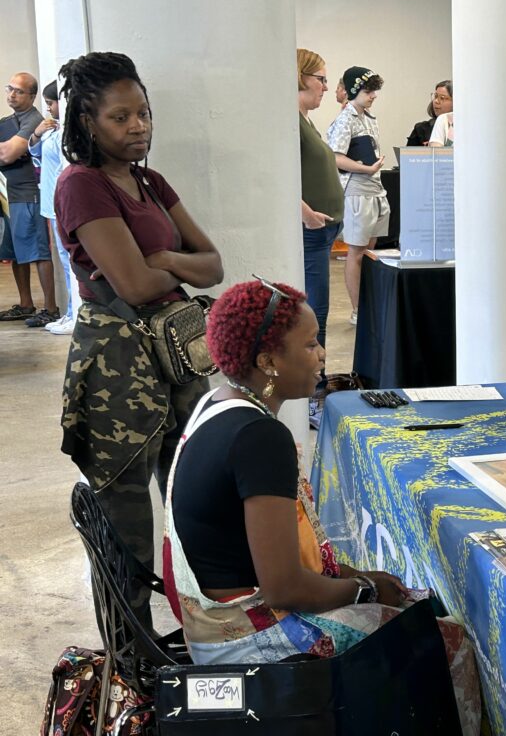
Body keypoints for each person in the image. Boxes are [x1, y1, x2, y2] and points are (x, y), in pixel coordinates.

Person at [164, 279, 480, 734]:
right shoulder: (260, 439)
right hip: (246, 644)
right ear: (267, 360)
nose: (322, 355)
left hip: (209, 624)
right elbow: (284, 589)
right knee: (448, 639)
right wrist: (365, 591)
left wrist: (359, 577)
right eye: (310, 344)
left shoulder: (216, 401)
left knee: (410, 603)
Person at [54, 51, 223, 625]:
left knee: (196, 502)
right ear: (86, 121)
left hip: (179, 357)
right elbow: (130, 281)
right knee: (128, 532)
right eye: (120, 118)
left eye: (143, 114)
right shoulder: (82, 185)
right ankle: (131, 671)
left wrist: (167, 259)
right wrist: (176, 268)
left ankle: (209, 641)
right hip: (119, 370)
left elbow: (214, 264)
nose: (138, 127)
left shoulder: (150, 180)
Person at [296, 48, 345, 428]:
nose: (327, 87)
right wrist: (305, 212)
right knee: (317, 313)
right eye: (321, 79)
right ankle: (315, 395)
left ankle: (318, 389)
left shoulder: (305, 120)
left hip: (322, 233)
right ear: (301, 76)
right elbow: (278, 173)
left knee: (320, 311)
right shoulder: (289, 121)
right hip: (311, 233)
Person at [326, 66, 389, 327]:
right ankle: (357, 310)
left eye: (374, 90)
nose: (373, 95)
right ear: (354, 91)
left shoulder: (368, 118)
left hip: (374, 189)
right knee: (356, 252)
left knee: (369, 252)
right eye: (367, 90)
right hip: (357, 191)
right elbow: (336, 157)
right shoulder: (345, 120)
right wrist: (366, 169)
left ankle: (368, 305)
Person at [0, 71, 59, 325]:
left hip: (28, 194)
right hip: (8, 194)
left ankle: (51, 308)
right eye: (9, 88)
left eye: (19, 91)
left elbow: (7, 155)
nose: (12, 94)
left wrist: (10, 148)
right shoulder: (8, 121)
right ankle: (26, 304)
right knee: (14, 252)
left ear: (32, 96)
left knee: (38, 251)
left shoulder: (33, 119)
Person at [28, 80, 79, 334]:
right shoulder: (52, 130)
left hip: (62, 205)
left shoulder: (68, 133)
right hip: (50, 204)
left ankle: (75, 313)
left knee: (70, 260)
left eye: (51, 103)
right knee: (63, 258)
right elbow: (35, 155)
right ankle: (70, 310)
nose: (49, 109)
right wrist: (37, 133)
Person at [406, 79, 452, 147]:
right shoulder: (421, 128)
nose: (436, 101)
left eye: (442, 98)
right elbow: (407, 156)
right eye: (435, 96)